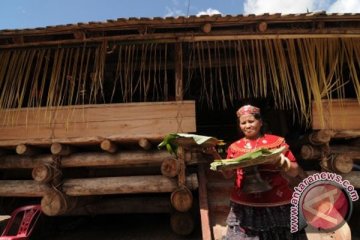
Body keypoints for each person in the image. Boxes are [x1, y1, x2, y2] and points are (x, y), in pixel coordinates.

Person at [222, 104, 307, 240]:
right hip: (244, 205)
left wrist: (279, 160)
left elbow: (294, 171)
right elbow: (227, 175)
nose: (247, 126)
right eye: (243, 123)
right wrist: (213, 153)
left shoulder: (277, 142)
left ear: (260, 122)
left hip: (277, 202)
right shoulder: (235, 147)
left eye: (251, 121)